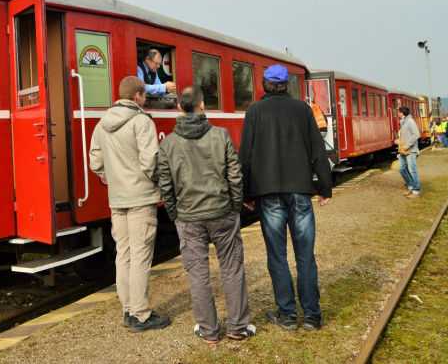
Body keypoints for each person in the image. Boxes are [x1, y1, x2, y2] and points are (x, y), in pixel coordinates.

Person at [239, 64, 332, 332]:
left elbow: (246, 155)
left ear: (264, 86)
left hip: (268, 193)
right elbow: (317, 149)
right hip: (300, 190)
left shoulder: (254, 111)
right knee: (305, 256)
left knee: (277, 255)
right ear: (286, 86)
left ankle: (288, 314)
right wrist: (324, 187)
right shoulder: (302, 109)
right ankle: (313, 316)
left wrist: (246, 194)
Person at [157, 86, 254, 343]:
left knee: (197, 273)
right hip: (222, 212)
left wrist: (175, 214)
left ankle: (209, 331)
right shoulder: (221, 136)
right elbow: (235, 175)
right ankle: (237, 328)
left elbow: (165, 185)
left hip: (188, 217)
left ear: (179, 108)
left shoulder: (167, 143)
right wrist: (235, 206)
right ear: (202, 106)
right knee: (232, 268)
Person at [88, 76, 170, 332]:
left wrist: (112, 177)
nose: (145, 99)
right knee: (141, 255)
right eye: (144, 95)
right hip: (141, 198)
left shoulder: (102, 124)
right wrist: (155, 182)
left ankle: (128, 310)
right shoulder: (141, 121)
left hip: (118, 199)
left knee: (123, 255)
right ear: (137, 96)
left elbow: (95, 163)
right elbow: (150, 162)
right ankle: (141, 315)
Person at [397, 106, 421, 197]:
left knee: (412, 171)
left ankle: (416, 191)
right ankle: (410, 186)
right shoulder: (404, 122)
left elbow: (416, 134)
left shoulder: (410, 122)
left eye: (398, 112)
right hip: (404, 151)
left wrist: (407, 145)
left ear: (401, 113)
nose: (398, 114)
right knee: (401, 169)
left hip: (411, 150)